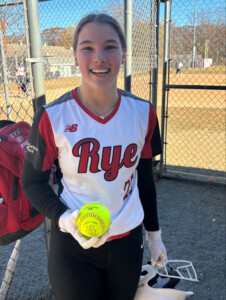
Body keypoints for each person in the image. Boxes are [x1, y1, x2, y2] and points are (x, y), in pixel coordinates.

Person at [22, 13, 167, 300]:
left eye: (110, 46)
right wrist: (64, 219)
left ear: (123, 54)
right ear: (75, 56)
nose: (99, 57)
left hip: (127, 239)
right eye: (87, 47)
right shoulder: (52, 117)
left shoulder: (143, 113)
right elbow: (32, 183)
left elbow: (144, 180)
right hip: (73, 245)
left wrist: (155, 237)